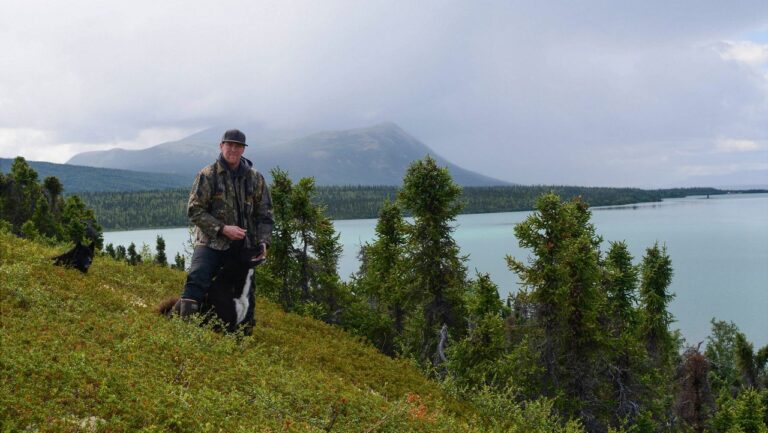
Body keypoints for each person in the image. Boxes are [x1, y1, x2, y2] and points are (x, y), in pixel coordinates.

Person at [177, 128, 274, 317]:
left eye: (238, 146)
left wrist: (263, 242)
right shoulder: (208, 175)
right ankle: (183, 332)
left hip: (243, 247)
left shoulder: (255, 178)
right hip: (210, 243)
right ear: (221, 146)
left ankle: (242, 337)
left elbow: (265, 215)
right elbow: (194, 210)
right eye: (229, 145)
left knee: (245, 292)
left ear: (243, 150)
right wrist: (222, 229)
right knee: (197, 279)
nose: (233, 149)